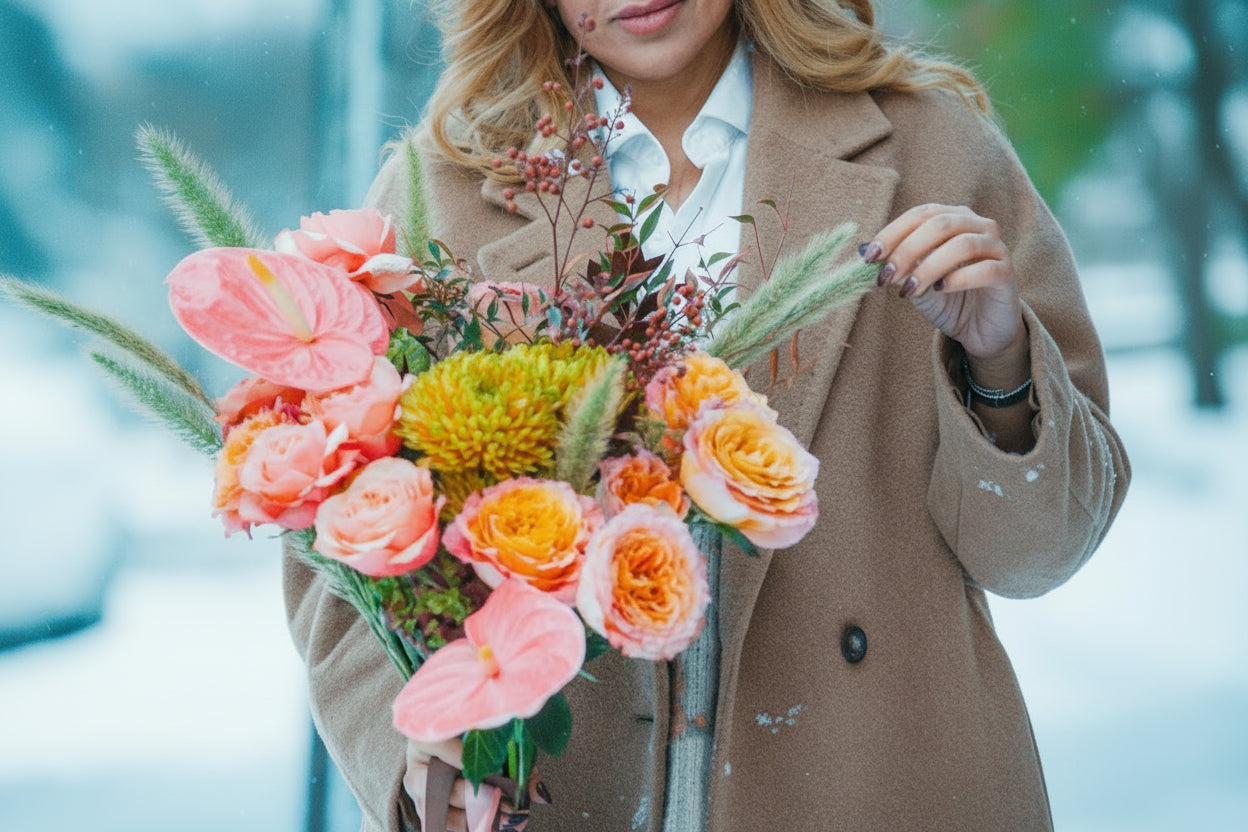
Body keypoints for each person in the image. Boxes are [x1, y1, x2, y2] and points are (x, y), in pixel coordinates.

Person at [283, 1, 1131, 830]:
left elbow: (1037, 554)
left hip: (885, 782)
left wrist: (1001, 366)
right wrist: (418, 765)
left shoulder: (932, 149)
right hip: (555, 800)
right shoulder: (439, 193)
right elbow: (345, 548)